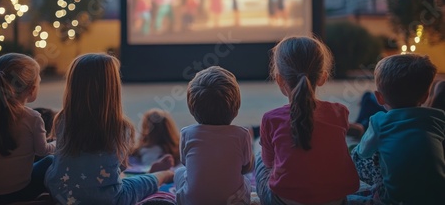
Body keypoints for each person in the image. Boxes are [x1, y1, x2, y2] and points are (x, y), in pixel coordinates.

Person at [45, 53, 174, 204]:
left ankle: (147, 175)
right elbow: (121, 167)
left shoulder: (62, 119)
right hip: (108, 200)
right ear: (112, 88)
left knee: (50, 162)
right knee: (154, 179)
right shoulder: (121, 127)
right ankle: (160, 174)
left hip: (62, 195)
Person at [256, 36, 359, 205]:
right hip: (335, 200)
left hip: (284, 201)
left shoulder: (270, 119)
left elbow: (269, 163)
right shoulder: (340, 112)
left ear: (279, 79)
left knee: (260, 157)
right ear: (323, 77)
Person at [351, 54, 445, 204]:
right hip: (437, 199)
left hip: (395, 201)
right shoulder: (438, 120)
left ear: (379, 98)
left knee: (359, 154)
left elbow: (363, 153)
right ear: (425, 96)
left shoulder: (379, 121)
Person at [0, 53, 55, 204]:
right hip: (17, 194)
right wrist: (57, 142)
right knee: (50, 160)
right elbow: (42, 151)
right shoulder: (32, 118)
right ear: (32, 89)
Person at [174, 66, 254, 204]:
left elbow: (185, 163)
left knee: (179, 172)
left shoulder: (187, 133)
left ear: (192, 108)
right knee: (246, 180)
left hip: (192, 201)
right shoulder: (242, 134)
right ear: (236, 108)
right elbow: (247, 167)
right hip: (233, 201)